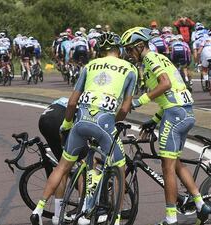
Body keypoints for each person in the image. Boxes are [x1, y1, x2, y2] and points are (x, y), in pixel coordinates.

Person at [30, 32, 138, 225]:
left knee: (63, 166)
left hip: (80, 122)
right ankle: (115, 217)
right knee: (119, 169)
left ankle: (38, 208)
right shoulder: (130, 68)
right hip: (104, 124)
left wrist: (66, 125)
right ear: (119, 50)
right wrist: (116, 122)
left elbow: (72, 102)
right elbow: (124, 108)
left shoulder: (89, 66)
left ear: (100, 51)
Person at [120, 27, 211, 225]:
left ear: (140, 46)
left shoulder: (151, 59)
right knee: (176, 162)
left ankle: (171, 219)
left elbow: (166, 84)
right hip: (184, 112)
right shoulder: (161, 59)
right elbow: (172, 95)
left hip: (175, 115)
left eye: (129, 49)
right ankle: (200, 203)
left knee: (167, 167)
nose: (128, 54)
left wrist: (138, 101)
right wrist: (154, 120)